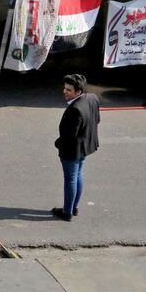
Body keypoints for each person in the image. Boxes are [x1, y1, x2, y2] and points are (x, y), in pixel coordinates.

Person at [52, 74, 100, 222]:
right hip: (85, 146)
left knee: (70, 179)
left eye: (69, 90)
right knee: (78, 175)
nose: (64, 92)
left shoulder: (75, 109)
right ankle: (74, 207)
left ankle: (67, 212)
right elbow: (97, 119)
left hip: (72, 150)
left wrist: (57, 143)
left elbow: (68, 137)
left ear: (78, 92)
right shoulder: (92, 98)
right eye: (65, 88)